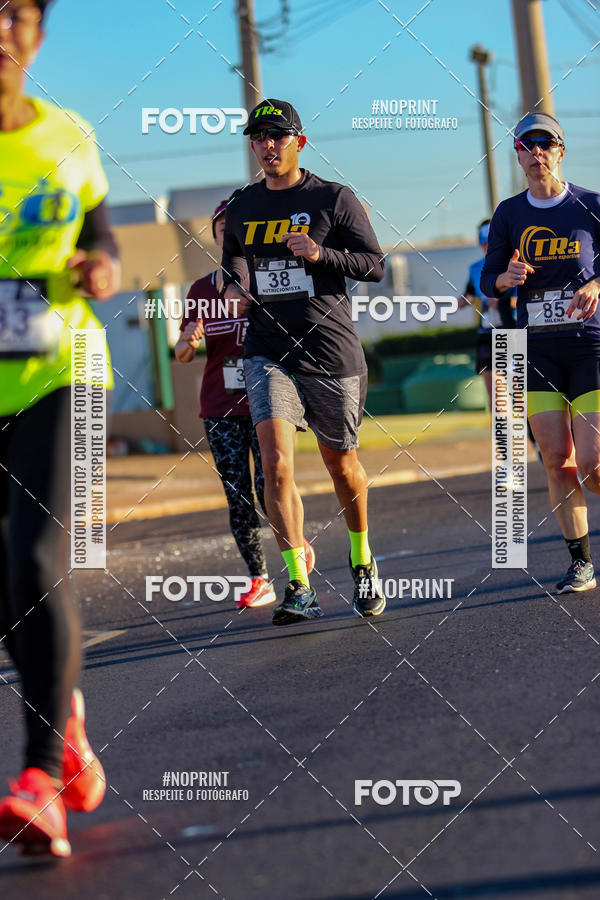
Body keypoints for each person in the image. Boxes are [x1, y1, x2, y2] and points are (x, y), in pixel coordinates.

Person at [0, 0, 120, 856]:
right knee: (6, 581)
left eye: (14, 13)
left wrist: (103, 262)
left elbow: (100, 230)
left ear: (36, 33)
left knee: (37, 554)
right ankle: (68, 719)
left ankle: (40, 775)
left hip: (60, 369)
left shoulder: (67, 136)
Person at [221, 98, 386, 625]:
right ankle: (299, 583)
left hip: (329, 350)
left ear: (299, 142)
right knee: (274, 464)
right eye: (258, 137)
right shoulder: (243, 205)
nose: (268, 145)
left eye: (277, 136)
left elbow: (374, 265)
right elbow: (232, 265)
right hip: (268, 349)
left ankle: (362, 562)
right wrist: (233, 289)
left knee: (341, 465)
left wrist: (320, 255)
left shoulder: (333, 197)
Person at [481, 112, 600, 593]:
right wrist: (504, 280)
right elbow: (489, 278)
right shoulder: (509, 214)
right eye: (525, 147)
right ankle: (581, 562)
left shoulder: (590, 205)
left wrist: (596, 284)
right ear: (518, 155)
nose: (535, 155)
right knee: (556, 459)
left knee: (593, 464)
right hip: (535, 352)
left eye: (544, 145)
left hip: (590, 345)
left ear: (560, 151)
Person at [175, 199, 315, 608]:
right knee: (237, 493)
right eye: (220, 228)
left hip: (265, 399)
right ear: (217, 236)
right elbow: (184, 352)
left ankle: (295, 548)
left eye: (231, 226)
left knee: (268, 482)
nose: (225, 233)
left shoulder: (266, 278)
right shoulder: (201, 289)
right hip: (219, 405)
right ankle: (259, 578)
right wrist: (188, 340)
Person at [458, 219, 515, 407]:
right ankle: (501, 435)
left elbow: (522, 299)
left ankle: (529, 434)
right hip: (486, 333)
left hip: (511, 332)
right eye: (484, 244)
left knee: (517, 388)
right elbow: (468, 295)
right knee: (493, 390)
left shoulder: (513, 265)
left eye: (490, 244)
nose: (487, 248)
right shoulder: (475, 269)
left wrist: (503, 300)